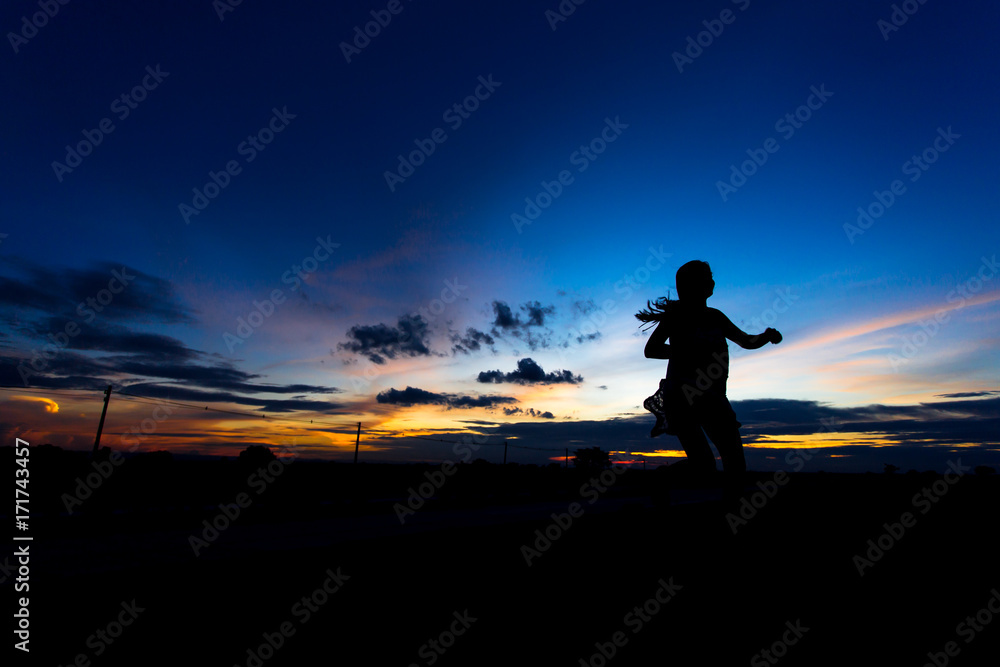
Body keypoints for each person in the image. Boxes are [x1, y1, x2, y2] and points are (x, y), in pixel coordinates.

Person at [636, 260, 781, 496]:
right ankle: (662, 480)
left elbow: (745, 341)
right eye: (706, 277)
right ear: (690, 285)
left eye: (711, 276)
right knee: (704, 465)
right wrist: (686, 352)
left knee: (735, 461)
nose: (712, 281)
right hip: (682, 398)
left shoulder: (716, 317)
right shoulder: (675, 316)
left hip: (713, 398)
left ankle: (731, 511)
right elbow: (651, 350)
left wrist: (765, 337)